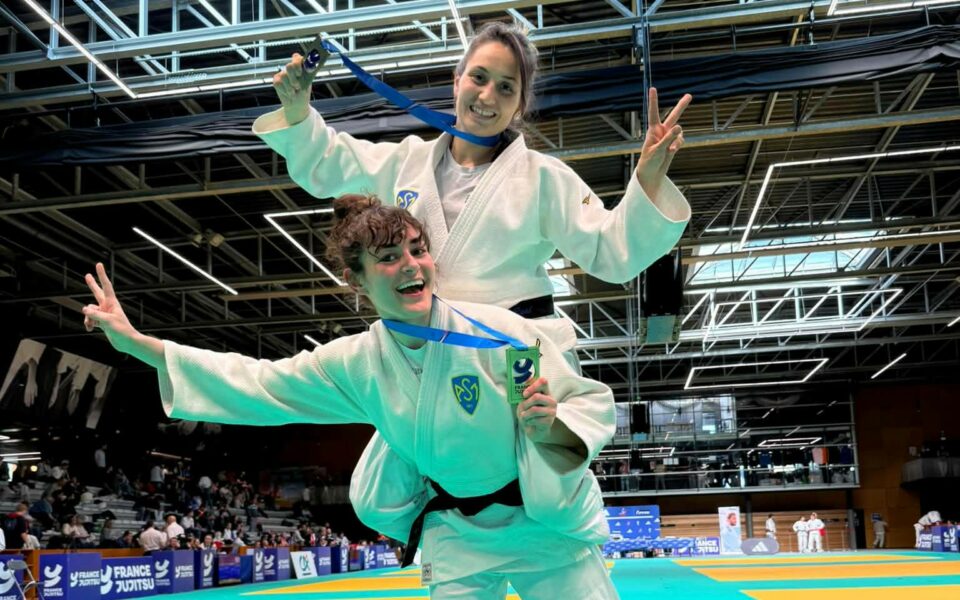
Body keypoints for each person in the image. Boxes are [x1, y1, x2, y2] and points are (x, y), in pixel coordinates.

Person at [261, 20, 692, 545]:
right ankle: (443, 513)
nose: (488, 96)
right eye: (479, 78)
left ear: (519, 105)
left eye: (506, 88)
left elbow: (610, 250)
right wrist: (299, 109)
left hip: (512, 352)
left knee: (550, 497)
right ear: (457, 78)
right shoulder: (406, 162)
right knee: (375, 496)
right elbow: (328, 164)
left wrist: (645, 181)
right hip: (434, 352)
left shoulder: (541, 177)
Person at [81, 195, 618, 599]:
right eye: (388, 257)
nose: (411, 264)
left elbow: (588, 402)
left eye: (418, 249)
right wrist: (145, 347)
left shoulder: (501, 331)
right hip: (454, 531)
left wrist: (553, 428)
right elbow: (264, 382)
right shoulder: (356, 361)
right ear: (354, 279)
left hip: (542, 520)